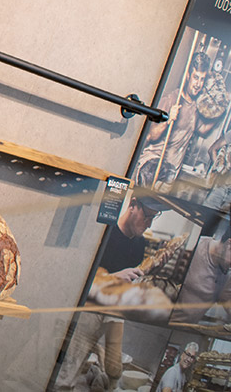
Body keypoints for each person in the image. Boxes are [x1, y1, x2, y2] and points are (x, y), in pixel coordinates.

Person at [55, 193, 167, 391]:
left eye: (153, 217)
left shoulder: (140, 245)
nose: (149, 224)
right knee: (67, 371)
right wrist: (113, 277)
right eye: (147, 216)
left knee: (105, 371)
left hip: (112, 312)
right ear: (133, 204)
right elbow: (74, 277)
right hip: (88, 311)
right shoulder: (105, 233)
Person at [134, 52, 212, 191]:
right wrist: (168, 119)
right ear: (188, 76)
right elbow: (151, 135)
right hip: (152, 167)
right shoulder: (172, 100)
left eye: (202, 79)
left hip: (171, 175)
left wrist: (222, 110)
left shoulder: (196, 107)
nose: (198, 84)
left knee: (151, 210)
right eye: (195, 78)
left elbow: (203, 130)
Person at [171, 232, 231, 324]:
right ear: (229, 244)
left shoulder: (226, 275)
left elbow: (228, 301)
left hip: (184, 330)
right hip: (159, 321)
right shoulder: (196, 244)